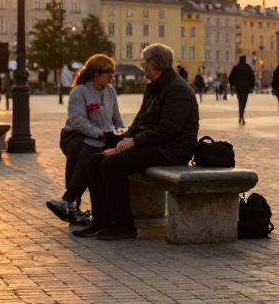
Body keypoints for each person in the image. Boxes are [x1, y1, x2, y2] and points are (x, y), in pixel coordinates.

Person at [79, 44, 198, 241]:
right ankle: (101, 221)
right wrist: (122, 143)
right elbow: (140, 121)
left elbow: (168, 130)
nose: (142, 66)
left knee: (112, 165)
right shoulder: (154, 87)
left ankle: (124, 225)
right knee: (96, 160)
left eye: (144, 63)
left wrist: (134, 142)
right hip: (155, 144)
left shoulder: (177, 90)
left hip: (173, 149)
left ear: (152, 65)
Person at [47, 54, 124, 226]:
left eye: (113, 73)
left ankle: (68, 202)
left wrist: (122, 133)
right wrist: (102, 134)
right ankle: (72, 203)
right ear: (96, 74)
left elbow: (116, 118)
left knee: (96, 153)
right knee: (89, 150)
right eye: (109, 73)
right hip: (76, 135)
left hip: (103, 136)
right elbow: (78, 122)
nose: (112, 77)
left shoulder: (110, 91)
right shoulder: (79, 91)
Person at [229, 54, 255, 125]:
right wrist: (252, 87)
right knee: (244, 102)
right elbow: (252, 77)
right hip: (246, 88)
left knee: (240, 101)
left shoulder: (236, 68)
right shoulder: (248, 67)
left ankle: (241, 115)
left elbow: (231, 78)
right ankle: (241, 115)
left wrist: (232, 87)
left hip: (238, 88)